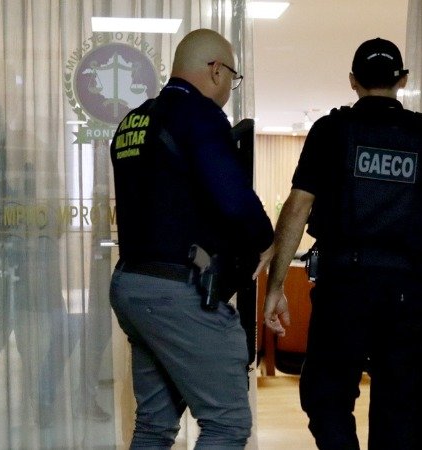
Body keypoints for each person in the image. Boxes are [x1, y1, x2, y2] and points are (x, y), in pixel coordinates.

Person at [263, 37, 422, 449]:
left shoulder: (331, 131)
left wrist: (276, 285)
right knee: (399, 410)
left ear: (353, 81)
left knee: (327, 397)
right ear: (402, 80)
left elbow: (297, 208)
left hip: (343, 287)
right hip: (406, 294)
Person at [109, 28, 274, 449]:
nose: (229, 88)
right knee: (227, 423)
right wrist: (265, 239)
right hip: (177, 291)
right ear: (216, 70)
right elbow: (234, 199)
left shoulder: (134, 121)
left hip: (133, 284)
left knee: (154, 425)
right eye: (232, 77)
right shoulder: (198, 114)